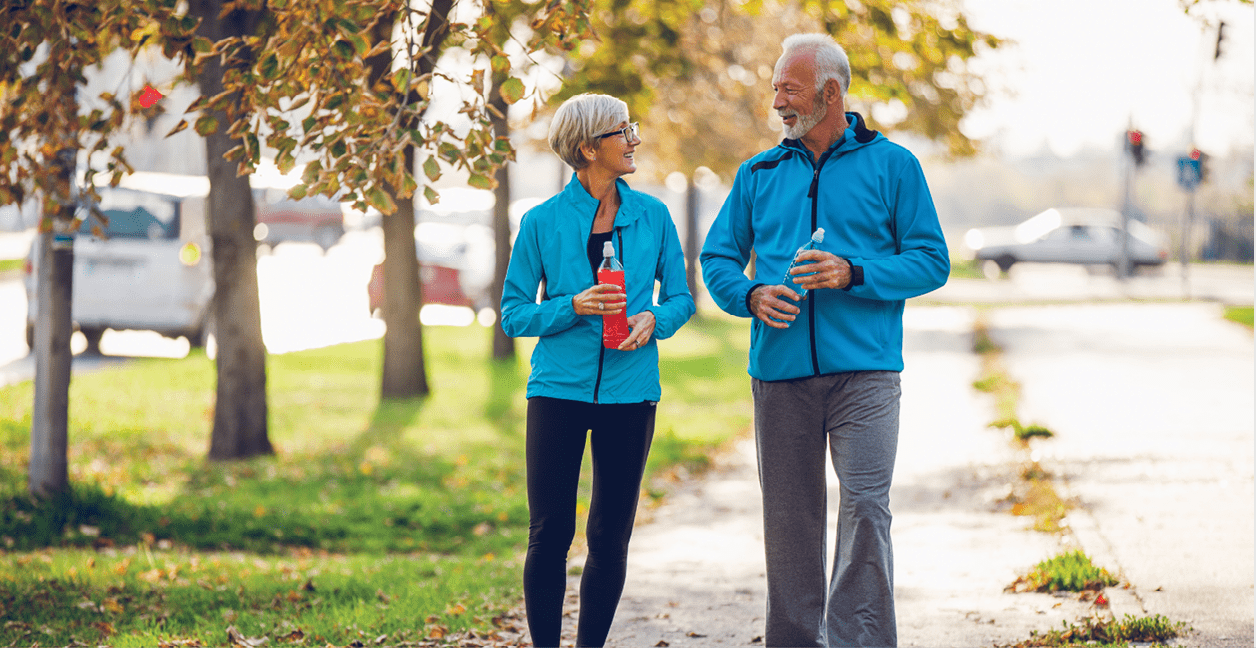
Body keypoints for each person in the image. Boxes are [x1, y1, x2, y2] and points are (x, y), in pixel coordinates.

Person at [700, 33, 949, 647]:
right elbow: (717, 257)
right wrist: (752, 295)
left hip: (865, 375)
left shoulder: (895, 166)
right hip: (780, 376)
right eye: (776, 88)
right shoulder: (758, 172)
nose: (778, 102)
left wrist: (854, 271)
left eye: (789, 88)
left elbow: (931, 260)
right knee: (790, 524)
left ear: (830, 93)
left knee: (866, 510)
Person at [500, 93, 695, 647]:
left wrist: (654, 320)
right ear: (588, 148)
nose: (634, 139)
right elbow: (514, 313)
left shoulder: (653, 215)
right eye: (621, 131)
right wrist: (571, 306)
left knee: (610, 536)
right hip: (557, 392)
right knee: (550, 533)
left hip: (631, 394)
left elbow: (681, 297)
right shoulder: (541, 223)